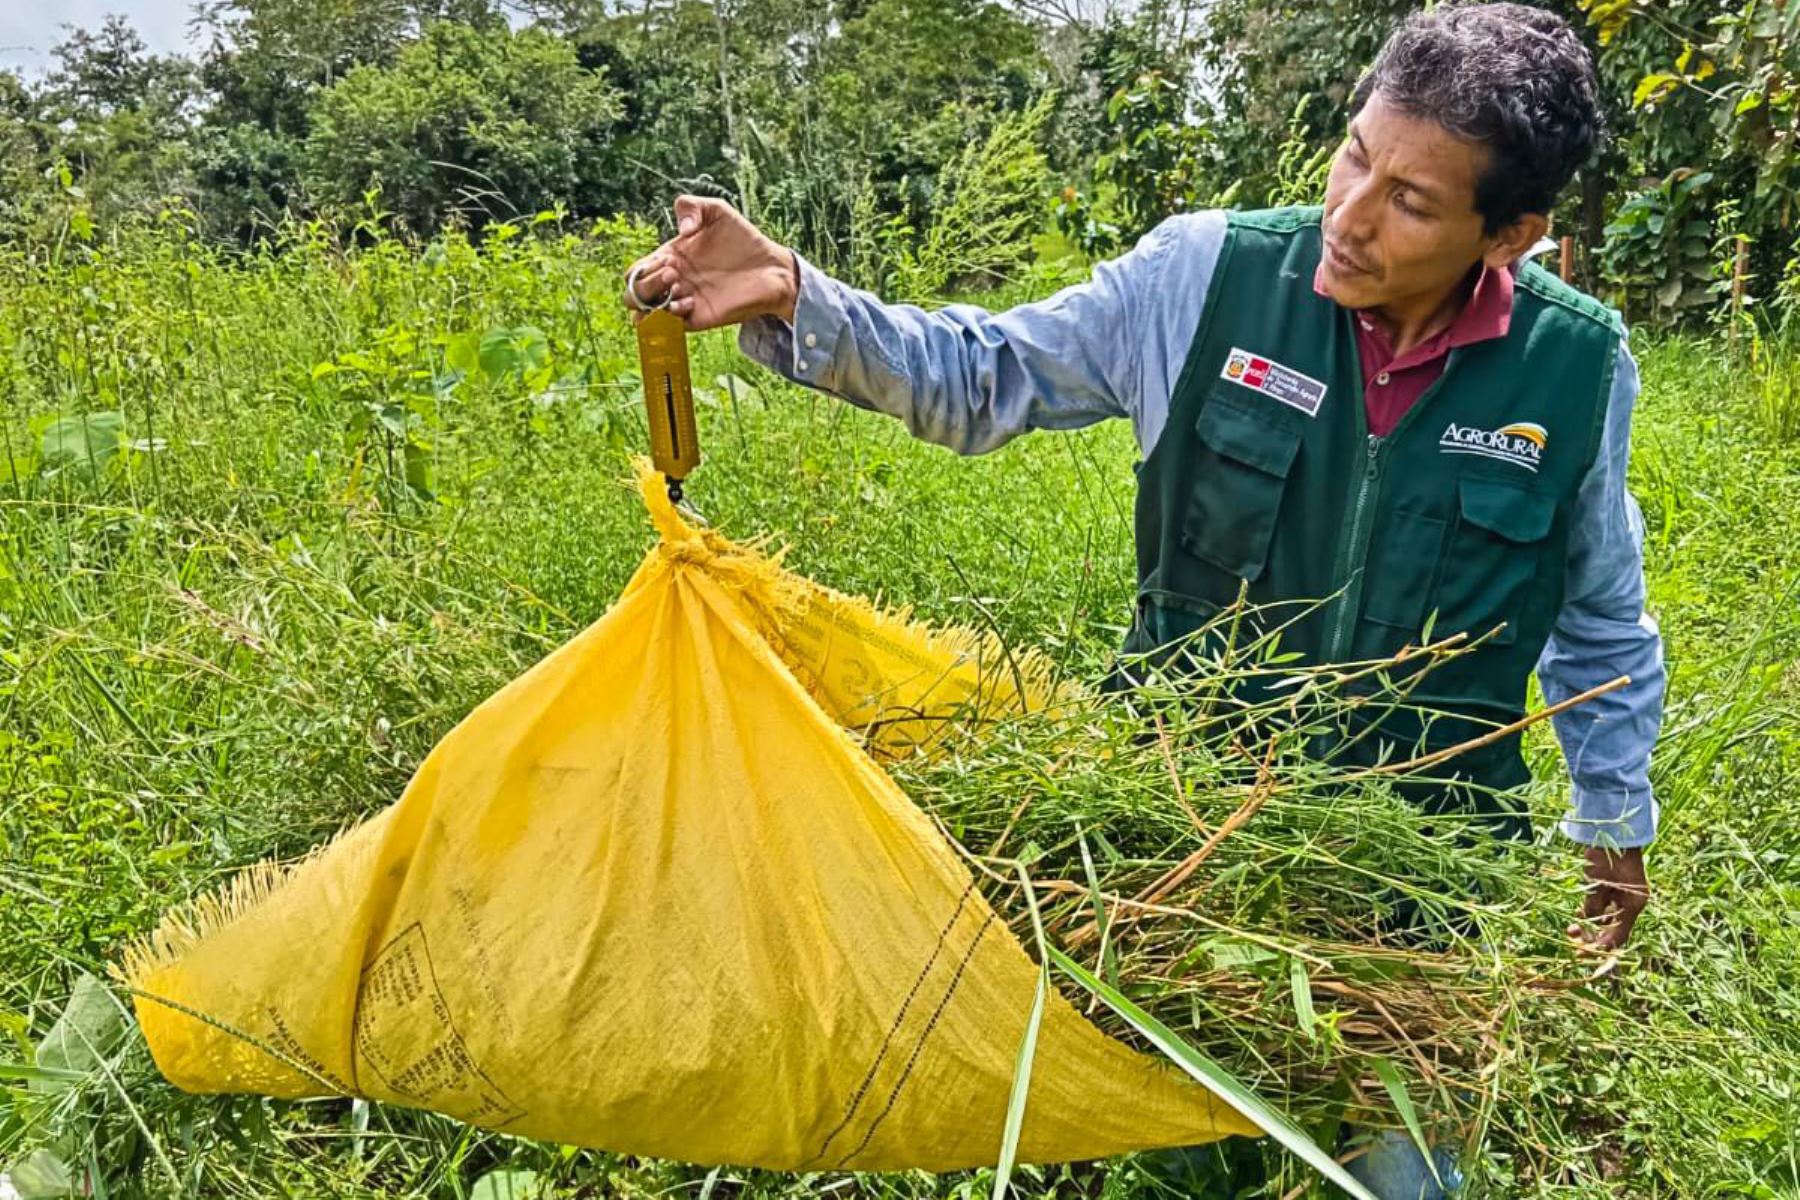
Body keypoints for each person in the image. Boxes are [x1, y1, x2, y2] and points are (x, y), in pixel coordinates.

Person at [624, 4, 1663, 1194]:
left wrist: (1614, 831)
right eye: (1354, 156)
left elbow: (1599, 620)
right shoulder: (1207, 277)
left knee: (1408, 1181)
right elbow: (985, 372)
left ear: (1512, 234)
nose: (1352, 216)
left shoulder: (1576, 365)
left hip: (1415, 886)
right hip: (1185, 858)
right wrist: (794, 293)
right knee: (1184, 1164)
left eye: (1412, 203)